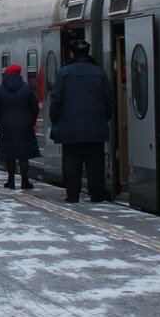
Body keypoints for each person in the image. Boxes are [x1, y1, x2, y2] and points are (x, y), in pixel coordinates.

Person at [49, 40, 115, 202]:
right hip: (95, 126)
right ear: (87, 53)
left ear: (72, 53)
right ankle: (97, 194)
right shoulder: (99, 72)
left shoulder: (64, 73)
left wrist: (55, 118)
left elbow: (56, 99)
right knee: (95, 163)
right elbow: (109, 99)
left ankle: (73, 195)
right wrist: (103, 118)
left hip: (69, 127)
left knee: (72, 163)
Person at [0, 63, 41, 189]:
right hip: (24, 125)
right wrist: (31, 122)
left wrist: (1, 124)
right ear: (19, 73)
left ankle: (10, 181)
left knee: (10, 154)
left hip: (7, 125)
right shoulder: (27, 88)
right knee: (24, 155)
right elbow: (34, 107)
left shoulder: (0, 89)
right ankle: (25, 181)